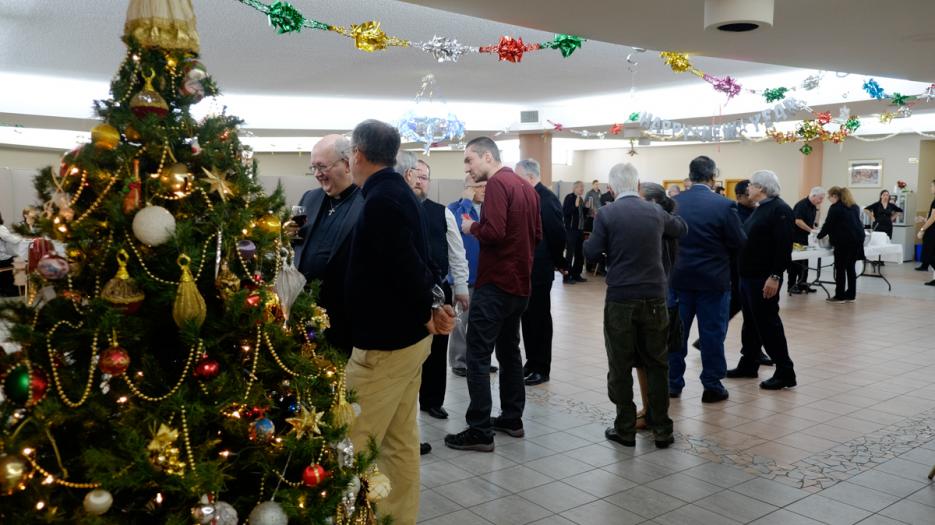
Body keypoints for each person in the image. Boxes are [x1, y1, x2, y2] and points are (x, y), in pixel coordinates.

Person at [344, 119, 455, 524]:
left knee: (350, 439)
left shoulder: (381, 201)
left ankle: (341, 513)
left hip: (385, 346)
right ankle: (397, 517)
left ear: (357, 154)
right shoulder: (399, 192)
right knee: (399, 441)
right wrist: (429, 310)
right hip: (406, 340)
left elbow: (407, 268)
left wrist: (426, 310)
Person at [444, 137, 541, 452]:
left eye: (470, 160)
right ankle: (513, 418)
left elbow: (495, 232)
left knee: (477, 353)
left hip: (495, 284)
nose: (468, 168)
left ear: (488, 156)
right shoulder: (527, 187)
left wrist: (472, 227)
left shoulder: (498, 184)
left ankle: (480, 429)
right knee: (510, 351)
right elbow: (536, 235)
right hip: (519, 286)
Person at [585, 164, 686, 448]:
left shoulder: (606, 213)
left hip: (621, 298)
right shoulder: (654, 211)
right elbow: (681, 229)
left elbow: (592, 252)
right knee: (657, 363)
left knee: (620, 364)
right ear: (638, 185)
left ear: (612, 187)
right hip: (655, 298)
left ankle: (625, 428)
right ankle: (663, 429)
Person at [668, 156, 746, 403]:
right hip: (713, 281)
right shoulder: (723, 206)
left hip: (679, 279)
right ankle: (711, 385)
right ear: (713, 177)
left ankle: (672, 383)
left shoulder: (673, 203)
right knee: (712, 333)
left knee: (675, 334)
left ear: (689, 176)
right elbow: (739, 242)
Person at [399, 153, 470, 421]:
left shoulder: (443, 213)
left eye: (424, 178)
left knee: (437, 351)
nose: (419, 181)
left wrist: (461, 287)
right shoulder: (394, 209)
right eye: (415, 175)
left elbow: (456, 253)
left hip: (438, 293)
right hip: (405, 295)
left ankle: (432, 400)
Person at [287, 134, 363, 354]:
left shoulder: (367, 201)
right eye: (313, 167)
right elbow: (294, 240)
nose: (317, 174)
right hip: (304, 309)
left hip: (344, 315)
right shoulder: (308, 198)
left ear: (347, 164)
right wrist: (288, 234)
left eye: (322, 166)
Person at [725, 171, 797, 390]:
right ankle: (749, 363)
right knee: (751, 324)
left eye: (753, 185)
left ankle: (785, 371)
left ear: (763, 188)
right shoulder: (760, 209)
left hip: (763, 278)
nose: (748, 189)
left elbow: (784, 248)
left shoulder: (780, 210)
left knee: (768, 325)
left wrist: (775, 276)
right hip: (747, 277)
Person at [515, 159, 566, 386]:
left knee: (540, 319)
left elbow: (557, 234)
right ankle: (531, 361)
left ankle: (541, 367)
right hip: (527, 269)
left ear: (529, 177)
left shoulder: (546, 199)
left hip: (541, 269)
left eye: (518, 177)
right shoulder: (529, 196)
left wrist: (559, 261)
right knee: (528, 317)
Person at [448, 177, 496, 376]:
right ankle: (459, 362)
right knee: (460, 323)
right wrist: (466, 202)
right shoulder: (454, 208)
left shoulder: (491, 208)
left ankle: (479, 360)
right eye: (479, 186)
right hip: (463, 278)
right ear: (468, 188)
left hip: (486, 277)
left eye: (487, 186)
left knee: (482, 322)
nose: (485, 190)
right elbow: (459, 227)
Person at [817, 186, 865, 303]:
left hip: (844, 242)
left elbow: (828, 224)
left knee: (840, 268)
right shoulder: (854, 207)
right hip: (857, 241)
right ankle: (851, 294)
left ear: (835, 196)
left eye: (829, 197)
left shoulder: (835, 208)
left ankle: (839, 296)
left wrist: (818, 236)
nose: (829, 199)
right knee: (850, 268)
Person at [788, 187, 825, 295]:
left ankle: (803, 285)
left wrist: (815, 227)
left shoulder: (814, 206)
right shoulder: (801, 205)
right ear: (813, 195)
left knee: (805, 262)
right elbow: (797, 221)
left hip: (804, 237)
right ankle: (791, 286)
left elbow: (813, 222)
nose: (821, 201)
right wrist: (811, 230)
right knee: (795, 263)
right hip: (795, 237)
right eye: (820, 198)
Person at [562, 181, 587, 283]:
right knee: (570, 254)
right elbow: (565, 212)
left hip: (580, 230)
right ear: (575, 188)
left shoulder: (581, 199)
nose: (582, 189)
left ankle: (576, 274)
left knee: (579, 253)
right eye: (580, 187)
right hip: (571, 230)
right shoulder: (569, 197)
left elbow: (581, 216)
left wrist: (586, 209)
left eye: (583, 187)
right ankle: (567, 277)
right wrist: (575, 206)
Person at [0, 212, 26, 297]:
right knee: (19, 260)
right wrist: (22, 237)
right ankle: (14, 291)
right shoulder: (1, 228)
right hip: (2, 259)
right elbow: (13, 240)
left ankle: (4, 289)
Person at [918, 180, 935, 282]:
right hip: (932, 230)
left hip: (932, 232)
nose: (931, 188)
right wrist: (924, 220)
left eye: (932, 186)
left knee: (929, 255)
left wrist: (922, 229)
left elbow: (933, 218)